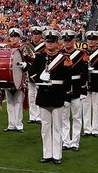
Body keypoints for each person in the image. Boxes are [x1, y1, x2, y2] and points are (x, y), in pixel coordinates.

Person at [28, 29, 68, 164]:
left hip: (58, 94)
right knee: (45, 127)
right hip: (43, 95)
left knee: (57, 127)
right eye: (47, 41)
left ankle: (57, 155)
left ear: (58, 43)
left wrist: (67, 97)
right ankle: (47, 154)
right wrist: (39, 78)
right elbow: (31, 73)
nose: (50, 44)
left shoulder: (64, 58)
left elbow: (68, 79)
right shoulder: (39, 57)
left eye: (52, 41)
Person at [60, 30, 87, 151]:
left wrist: (83, 91)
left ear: (74, 41)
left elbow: (85, 74)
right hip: (63, 89)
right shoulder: (59, 55)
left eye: (69, 40)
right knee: (64, 117)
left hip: (76, 88)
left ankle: (75, 142)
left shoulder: (81, 54)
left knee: (77, 117)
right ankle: (65, 141)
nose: (67, 42)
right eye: (65, 40)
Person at [83, 31, 98, 136]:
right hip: (86, 82)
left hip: (97, 81)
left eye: (94, 40)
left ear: (97, 40)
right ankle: (87, 129)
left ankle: (95, 129)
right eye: (90, 39)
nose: (91, 42)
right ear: (87, 40)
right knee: (86, 107)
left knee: (96, 107)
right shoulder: (83, 53)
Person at [2, 28, 25, 132]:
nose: (13, 38)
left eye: (15, 36)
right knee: (10, 102)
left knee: (18, 101)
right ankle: (11, 124)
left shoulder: (24, 48)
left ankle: (19, 125)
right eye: (12, 36)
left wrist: (24, 65)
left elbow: (31, 60)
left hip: (20, 77)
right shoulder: (6, 48)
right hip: (8, 77)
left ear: (19, 38)